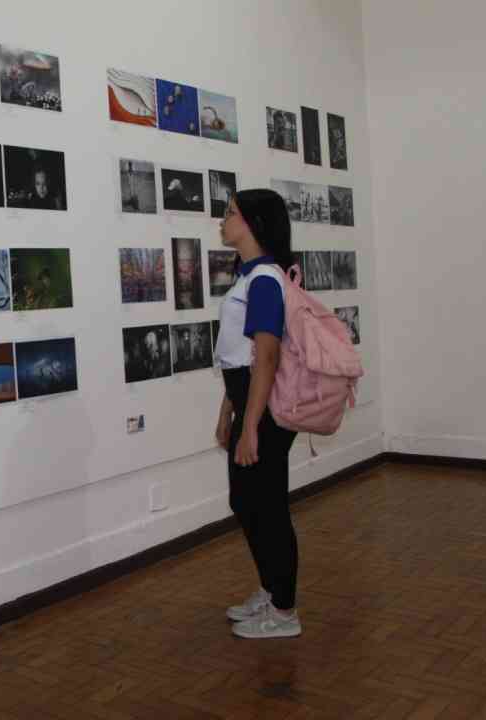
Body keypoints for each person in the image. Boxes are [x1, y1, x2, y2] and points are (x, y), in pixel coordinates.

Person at [213, 188, 301, 639]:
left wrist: (251, 426)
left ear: (252, 224)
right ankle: (271, 589)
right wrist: (228, 410)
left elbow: (266, 357)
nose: (222, 221)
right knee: (246, 502)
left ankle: (284, 611)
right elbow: (239, 357)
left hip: (262, 407)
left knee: (266, 506)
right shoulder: (248, 276)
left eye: (229, 214)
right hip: (247, 398)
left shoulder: (264, 278)